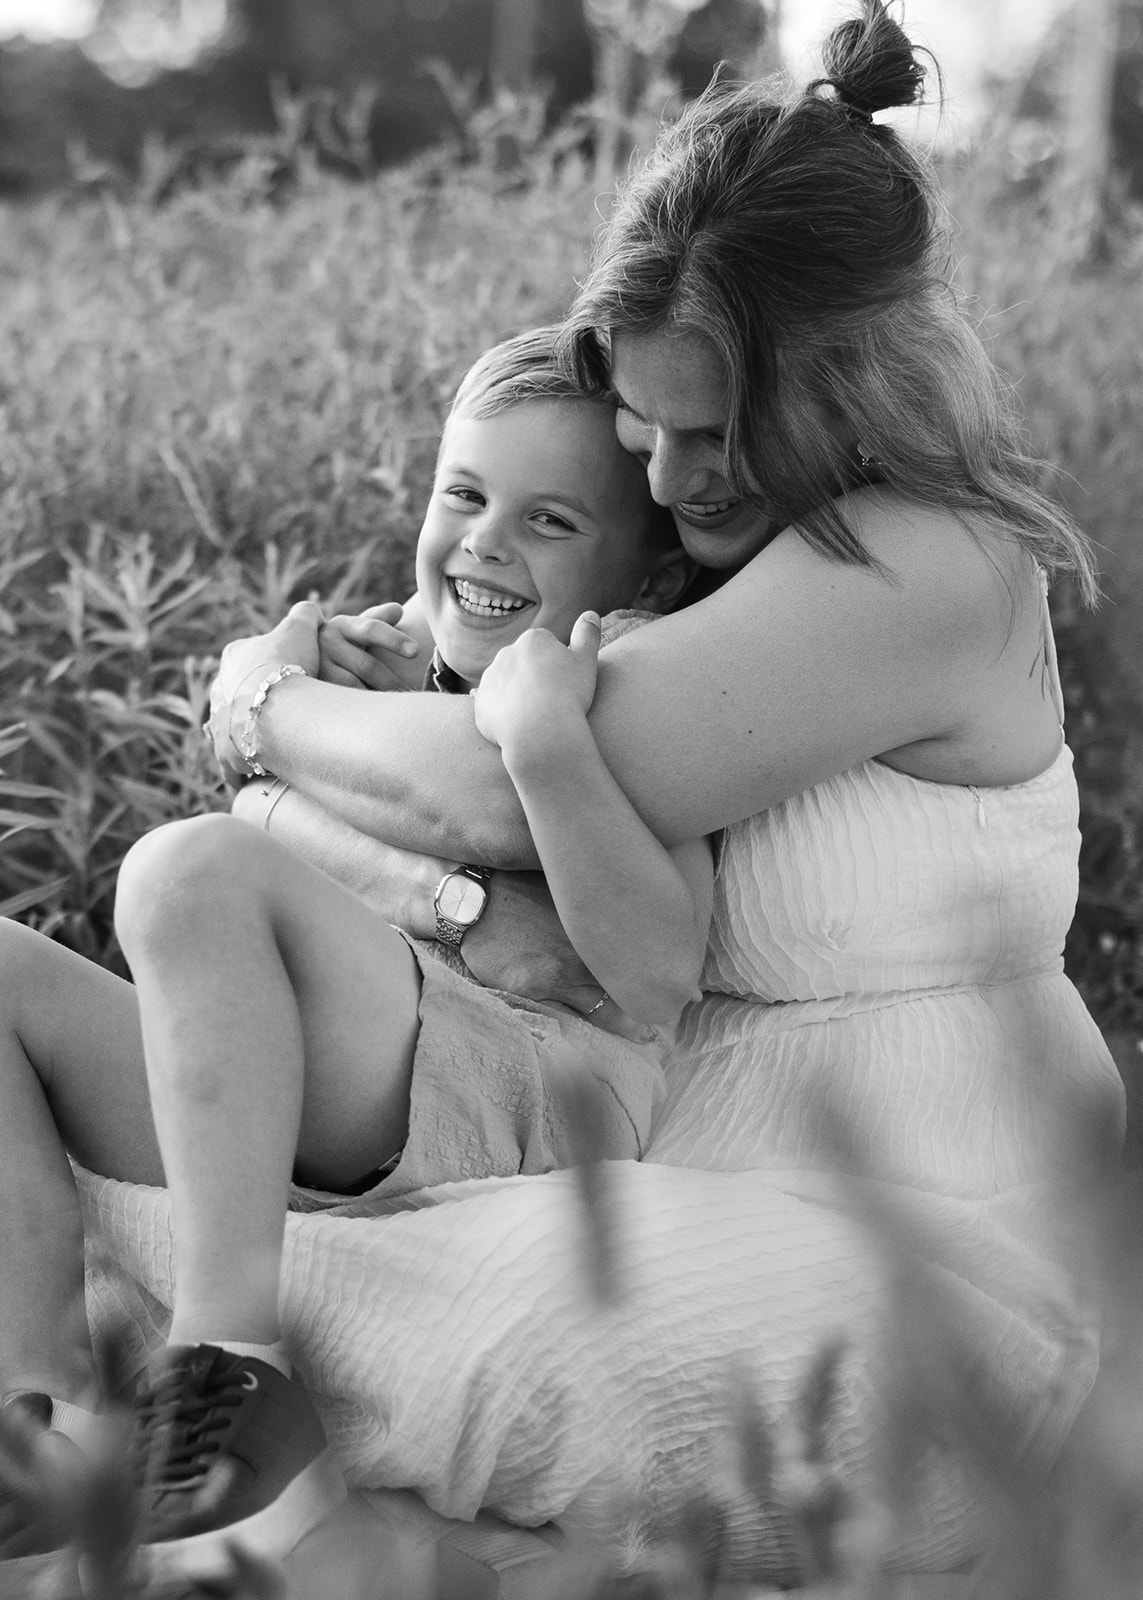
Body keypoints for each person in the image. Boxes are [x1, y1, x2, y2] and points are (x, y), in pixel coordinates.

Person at [17, 0, 1132, 1585]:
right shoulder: (700, 571)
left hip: (916, 1231)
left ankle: (220, 1423)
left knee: (372, 1306)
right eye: (643, 432)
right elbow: (466, 755)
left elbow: (482, 781)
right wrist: (352, 787)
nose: (672, 480)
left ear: (859, 373)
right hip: (651, 1149)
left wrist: (255, 698)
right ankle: (115, 1416)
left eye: (715, 431)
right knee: (123, 1184)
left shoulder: (918, 560)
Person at [0, 330, 711, 1582]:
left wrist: (286, 740)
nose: (486, 544)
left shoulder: (628, 691)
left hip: (521, 1086)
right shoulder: (392, 681)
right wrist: (355, 726)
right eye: (464, 494)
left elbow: (661, 961)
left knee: (187, 868)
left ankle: (229, 1370)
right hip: (354, 1077)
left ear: (638, 575)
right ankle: (42, 1410)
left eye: (551, 520)